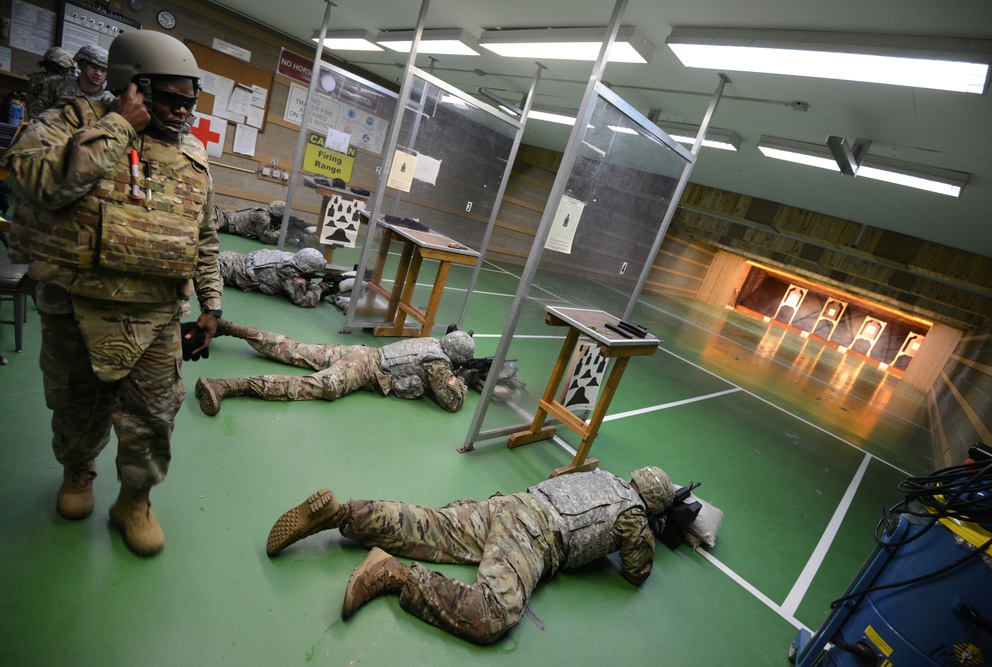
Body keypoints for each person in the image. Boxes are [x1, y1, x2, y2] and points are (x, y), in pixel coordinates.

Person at [0, 31, 223, 556]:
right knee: (76, 404)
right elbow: (33, 180)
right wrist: (119, 126)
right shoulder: (71, 124)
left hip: (158, 312)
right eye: (170, 99)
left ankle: (135, 501)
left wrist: (211, 304)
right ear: (132, 87)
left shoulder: (191, 152)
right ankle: (78, 474)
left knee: (155, 415)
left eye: (189, 101)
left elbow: (204, 235)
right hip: (76, 303)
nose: (183, 113)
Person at [264, 466, 675, 644]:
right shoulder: (634, 517)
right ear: (653, 502)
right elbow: (636, 572)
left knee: (427, 525)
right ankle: (395, 575)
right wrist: (650, 529)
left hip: (511, 505)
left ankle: (343, 514)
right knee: (495, 612)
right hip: (535, 536)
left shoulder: (601, 476)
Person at [194, 323, 475, 415]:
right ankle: (226, 386)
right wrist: (460, 378)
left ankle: (233, 328)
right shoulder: (438, 363)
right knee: (316, 386)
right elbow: (452, 401)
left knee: (295, 349)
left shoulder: (433, 342)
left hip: (363, 352)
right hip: (365, 367)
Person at [218, 246, 333, 308]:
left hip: (233, 258)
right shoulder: (289, 272)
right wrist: (320, 288)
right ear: (307, 268)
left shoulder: (293, 259)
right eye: (314, 271)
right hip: (228, 269)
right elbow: (303, 300)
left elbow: (302, 280)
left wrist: (310, 283)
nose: (314, 274)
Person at [29, 44, 115, 117]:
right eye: (93, 67)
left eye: (103, 70)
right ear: (80, 65)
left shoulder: (109, 101)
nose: (98, 73)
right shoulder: (56, 84)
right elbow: (36, 117)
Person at [27, 46, 75, 120]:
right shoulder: (56, 81)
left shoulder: (36, 78)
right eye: (69, 69)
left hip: (35, 122)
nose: (70, 72)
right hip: (47, 125)